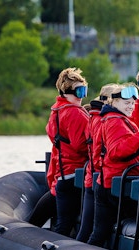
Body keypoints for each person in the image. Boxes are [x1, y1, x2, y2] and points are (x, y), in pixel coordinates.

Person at [87, 84, 139, 248]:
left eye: (133, 103)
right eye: (126, 103)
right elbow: (117, 151)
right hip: (115, 187)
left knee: (100, 232)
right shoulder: (115, 122)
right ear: (114, 102)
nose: (131, 106)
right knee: (99, 233)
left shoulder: (117, 120)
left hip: (113, 184)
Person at [45, 67, 90, 237]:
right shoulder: (73, 113)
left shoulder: (57, 110)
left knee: (63, 221)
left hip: (63, 173)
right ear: (66, 92)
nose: (81, 97)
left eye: (84, 90)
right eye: (79, 91)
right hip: (74, 175)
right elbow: (81, 145)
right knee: (65, 224)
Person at [75, 83, 118, 242]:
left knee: (88, 227)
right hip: (97, 176)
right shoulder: (102, 121)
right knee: (92, 229)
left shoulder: (93, 117)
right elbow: (102, 150)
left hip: (92, 175)